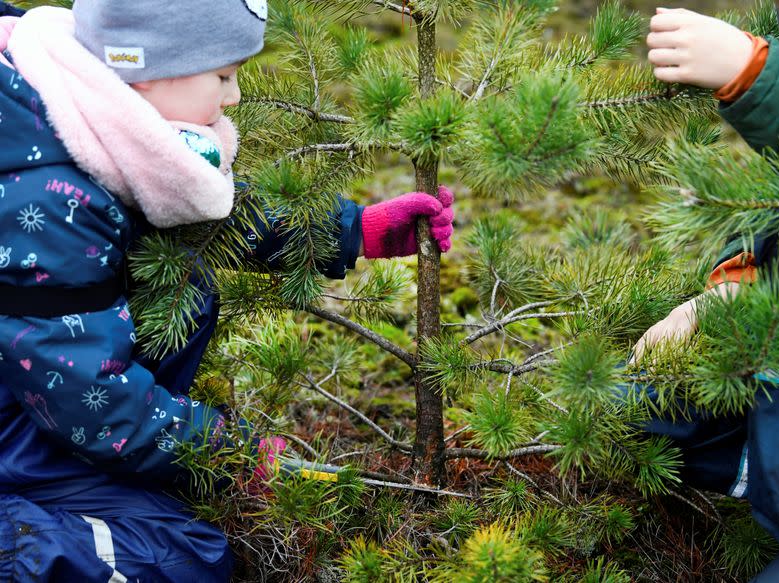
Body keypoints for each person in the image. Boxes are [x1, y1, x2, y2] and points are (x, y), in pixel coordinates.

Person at [0, 1, 455, 580]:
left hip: (46, 394)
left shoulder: (87, 100)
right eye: (222, 76)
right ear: (147, 69)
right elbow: (88, 395)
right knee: (187, 558)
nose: (235, 96)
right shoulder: (43, 199)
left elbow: (201, 216)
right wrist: (229, 454)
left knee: (181, 288)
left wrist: (352, 231)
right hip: (39, 416)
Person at [638, 5, 779, 581]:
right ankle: (755, 472)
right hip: (778, 404)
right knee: (627, 412)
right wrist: (732, 288)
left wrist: (761, 77)